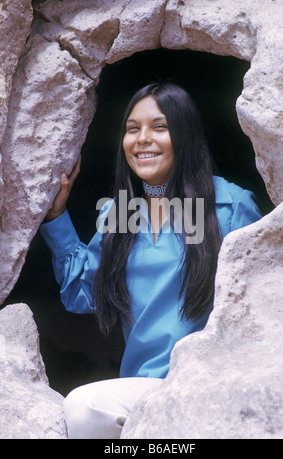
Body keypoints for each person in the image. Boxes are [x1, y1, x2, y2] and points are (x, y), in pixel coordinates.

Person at [40, 82, 261, 438]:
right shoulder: (118, 215)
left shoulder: (231, 205)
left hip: (217, 383)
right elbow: (83, 295)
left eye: (159, 127)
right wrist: (55, 219)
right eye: (132, 129)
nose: (142, 138)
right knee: (85, 410)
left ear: (185, 135)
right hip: (147, 390)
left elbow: (259, 311)